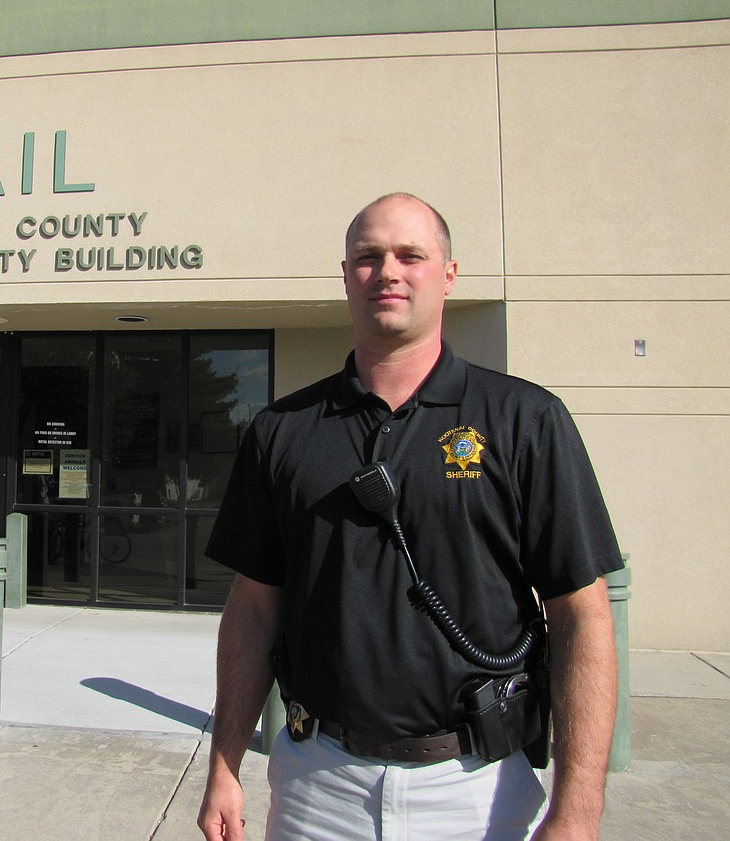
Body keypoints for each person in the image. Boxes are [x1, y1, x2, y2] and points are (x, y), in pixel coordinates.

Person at [197, 193, 623, 841]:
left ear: (448, 273)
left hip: (475, 788)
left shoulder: (526, 420)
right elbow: (254, 607)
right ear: (345, 275)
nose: (388, 271)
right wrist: (224, 763)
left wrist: (579, 805)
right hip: (318, 783)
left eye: (410, 255)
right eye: (368, 257)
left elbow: (581, 613)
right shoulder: (281, 432)